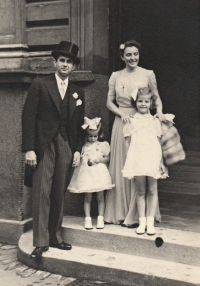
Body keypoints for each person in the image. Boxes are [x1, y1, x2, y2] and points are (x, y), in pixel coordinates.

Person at [22, 41, 85, 260]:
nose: (65, 65)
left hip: (66, 144)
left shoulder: (78, 92)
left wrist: (77, 150)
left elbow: (79, 125)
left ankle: (54, 236)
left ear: (73, 67)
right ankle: (39, 242)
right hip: (43, 146)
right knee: (42, 191)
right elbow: (28, 117)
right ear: (55, 62)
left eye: (69, 62)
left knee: (59, 190)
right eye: (62, 61)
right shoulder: (40, 84)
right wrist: (29, 149)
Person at [104, 39, 165, 226]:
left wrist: (160, 115)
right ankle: (123, 213)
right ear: (122, 57)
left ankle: (143, 216)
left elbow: (157, 99)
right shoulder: (116, 76)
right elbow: (109, 103)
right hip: (122, 123)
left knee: (142, 166)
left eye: (135, 54)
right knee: (124, 167)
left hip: (143, 125)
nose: (132, 58)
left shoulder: (148, 74)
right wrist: (122, 114)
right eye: (128, 55)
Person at [122, 88, 167, 235]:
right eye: (140, 101)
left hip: (152, 157)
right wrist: (130, 161)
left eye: (146, 101)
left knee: (153, 190)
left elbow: (159, 143)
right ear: (136, 103)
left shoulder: (155, 121)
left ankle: (150, 222)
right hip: (138, 158)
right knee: (140, 191)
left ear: (151, 104)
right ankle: (141, 222)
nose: (143, 104)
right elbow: (128, 143)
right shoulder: (131, 121)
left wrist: (160, 162)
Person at [68, 117, 114, 230]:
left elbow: (107, 158)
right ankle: (87, 219)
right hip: (87, 174)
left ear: (99, 135)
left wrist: (99, 160)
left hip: (99, 174)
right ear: (86, 136)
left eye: (95, 136)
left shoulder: (102, 145)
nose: (93, 138)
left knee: (100, 197)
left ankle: (100, 218)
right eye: (90, 136)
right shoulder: (83, 147)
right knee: (87, 197)